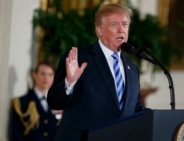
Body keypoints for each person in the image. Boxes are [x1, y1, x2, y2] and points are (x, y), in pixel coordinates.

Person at [47, 3, 147, 141]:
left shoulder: (132, 68)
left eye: (125, 24)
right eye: (114, 25)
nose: (121, 30)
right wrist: (69, 82)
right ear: (99, 30)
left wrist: (159, 118)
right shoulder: (79, 58)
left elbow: (133, 108)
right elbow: (54, 102)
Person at [8, 61, 62, 141]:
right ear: (34, 75)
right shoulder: (21, 102)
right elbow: (16, 134)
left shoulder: (59, 103)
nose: (46, 78)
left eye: (50, 74)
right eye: (42, 74)